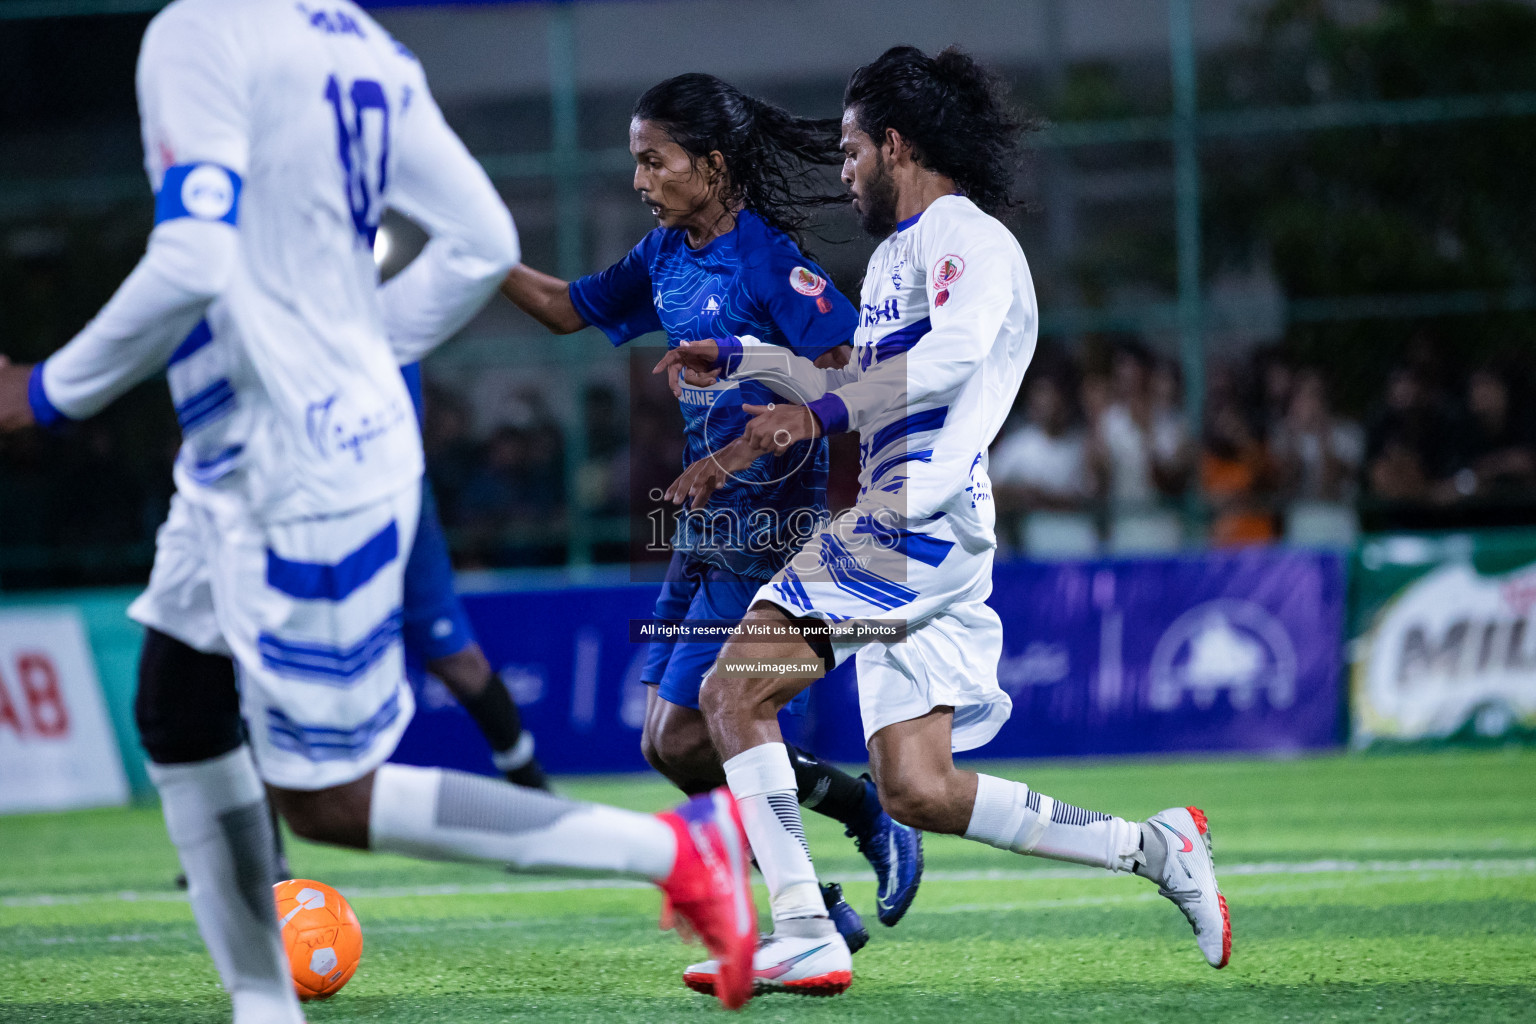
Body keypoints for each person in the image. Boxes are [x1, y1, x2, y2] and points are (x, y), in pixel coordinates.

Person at [0, 1, 755, 1017]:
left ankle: (671, 848)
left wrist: (44, 391)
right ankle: (262, 1004)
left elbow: (192, 259)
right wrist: (360, 348)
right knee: (176, 708)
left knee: (326, 800)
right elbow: (482, 238)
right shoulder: (355, 37)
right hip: (246, 459)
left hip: (300, 471)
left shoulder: (197, 32)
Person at [658, 45, 1231, 995]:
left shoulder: (968, 232)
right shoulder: (895, 259)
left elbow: (958, 353)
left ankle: (802, 925)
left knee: (730, 695)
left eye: (850, 151)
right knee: (917, 787)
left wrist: (818, 413)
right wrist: (758, 362)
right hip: (924, 528)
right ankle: (1156, 847)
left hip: (910, 519)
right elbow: (869, 379)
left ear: (895, 144)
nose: (843, 173)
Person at [498, 73, 923, 950]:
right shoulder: (663, 256)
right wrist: (474, 257)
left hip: (768, 537)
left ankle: (828, 880)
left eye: (656, 162)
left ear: (712, 164)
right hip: (704, 533)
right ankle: (849, 832)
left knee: (703, 736)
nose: (641, 181)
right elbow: (563, 310)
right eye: (637, 163)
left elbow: (852, 374)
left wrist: (748, 389)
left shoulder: (771, 263)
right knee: (670, 747)